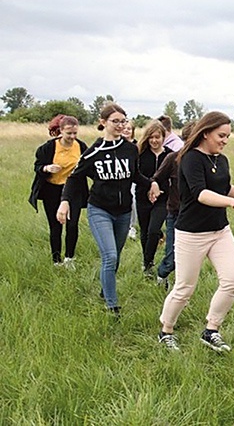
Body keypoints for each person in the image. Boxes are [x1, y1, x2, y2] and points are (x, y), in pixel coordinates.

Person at [157, 111, 234, 351]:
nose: (225, 140)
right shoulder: (190, 158)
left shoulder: (220, 160)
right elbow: (201, 193)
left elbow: (226, 187)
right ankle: (166, 330)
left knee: (232, 282)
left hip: (220, 231)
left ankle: (211, 330)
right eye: (221, 135)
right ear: (205, 133)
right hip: (191, 234)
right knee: (184, 288)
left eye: (228, 136)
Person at [57, 103, 150, 316]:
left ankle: (104, 289)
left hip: (124, 211)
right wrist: (65, 201)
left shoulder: (130, 149)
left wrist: (152, 183)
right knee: (110, 256)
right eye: (115, 121)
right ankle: (112, 305)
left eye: (123, 121)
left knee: (115, 255)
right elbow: (74, 178)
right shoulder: (94, 152)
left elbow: (134, 175)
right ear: (103, 123)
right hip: (100, 210)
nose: (120, 125)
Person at [29, 115, 88, 268]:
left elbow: (89, 166)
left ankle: (69, 259)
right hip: (52, 190)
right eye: (69, 133)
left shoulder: (81, 146)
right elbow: (38, 166)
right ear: (61, 131)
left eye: (75, 133)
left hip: (74, 190)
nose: (72, 137)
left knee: (72, 224)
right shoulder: (48, 148)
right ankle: (56, 260)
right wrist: (47, 168)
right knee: (55, 226)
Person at [150, 121, 196, 289]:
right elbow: (156, 178)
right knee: (173, 256)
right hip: (176, 214)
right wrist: (154, 185)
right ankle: (162, 274)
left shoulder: (206, 161)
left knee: (190, 257)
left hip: (196, 216)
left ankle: (183, 287)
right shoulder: (173, 159)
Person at [136, 120, 172, 276]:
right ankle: (147, 265)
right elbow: (135, 175)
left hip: (163, 199)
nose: (154, 141)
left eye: (157, 137)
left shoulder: (169, 154)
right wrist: (150, 185)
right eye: (151, 137)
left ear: (163, 137)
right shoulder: (140, 154)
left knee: (153, 230)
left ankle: (148, 260)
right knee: (144, 231)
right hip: (142, 197)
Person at [122, 120, 139, 239]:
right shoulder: (117, 144)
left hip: (133, 177)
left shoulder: (137, 146)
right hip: (121, 177)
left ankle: (131, 226)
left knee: (133, 199)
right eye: (125, 128)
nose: (127, 130)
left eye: (129, 129)